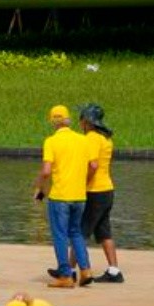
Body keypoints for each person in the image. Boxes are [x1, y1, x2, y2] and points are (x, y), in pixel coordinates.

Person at [35, 103, 92, 288]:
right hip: (79, 196)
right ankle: (85, 271)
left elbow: (46, 172)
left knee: (60, 235)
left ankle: (66, 276)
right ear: (68, 120)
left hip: (60, 197)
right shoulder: (83, 140)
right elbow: (93, 166)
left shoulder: (51, 141)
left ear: (53, 121)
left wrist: (40, 188)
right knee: (76, 233)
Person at [79, 103, 121, 283]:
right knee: (104, 232)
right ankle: (114, 271)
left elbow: (93, 165)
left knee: (80, 232)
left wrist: (83, 183)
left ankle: (68, 271)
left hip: (95, 191)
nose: (79, 123)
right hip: (107, 190)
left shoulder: (92, 138)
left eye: (81, 119)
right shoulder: (105, 138)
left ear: (87, 121)